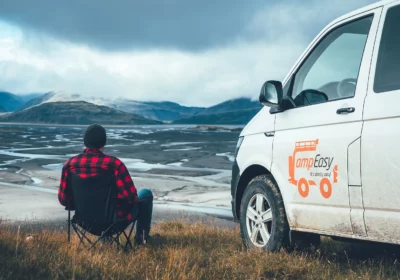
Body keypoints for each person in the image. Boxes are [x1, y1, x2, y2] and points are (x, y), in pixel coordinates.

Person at [58, 124, 154, 245]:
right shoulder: (114, 165)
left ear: (85, 142)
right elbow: (130, 198)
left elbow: (63, 200)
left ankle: (106, 240)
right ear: (104, 142)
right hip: (114, 222)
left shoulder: (69, 165)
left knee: (104, 208)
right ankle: (142, 240)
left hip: (84, 221)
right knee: (145, 194)